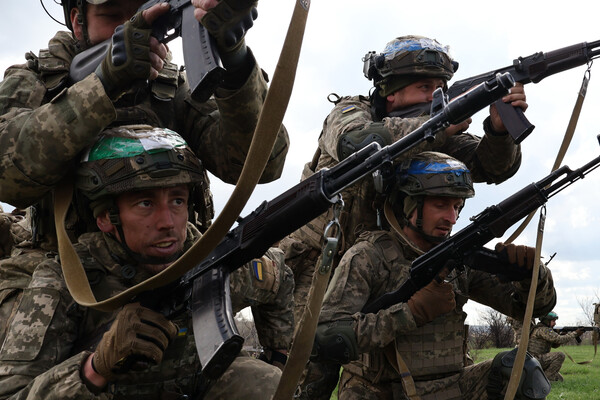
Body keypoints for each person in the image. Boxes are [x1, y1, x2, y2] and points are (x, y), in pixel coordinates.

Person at [282, 35, 527, 398]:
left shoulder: (436, 133)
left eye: (441, 88)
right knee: (307, 373)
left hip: (384, 262)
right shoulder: (352, 113)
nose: (435, 96)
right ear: (391, 92)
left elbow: (489, 166)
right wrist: (437, 124)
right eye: (424, 87)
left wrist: (498, 131)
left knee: (389, 370)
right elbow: (357, 144)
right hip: (317, 264)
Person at [0, 126, 294, 399]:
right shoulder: (67, 281)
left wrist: (277, 354)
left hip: (195, 387)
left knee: (265, 382)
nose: (167, 222)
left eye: (177, 201)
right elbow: (13, 393)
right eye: (145, 203)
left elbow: (279, 275)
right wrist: (93, 369)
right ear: (105, 218)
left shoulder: (214, 258)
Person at [0, 0, 289, 251]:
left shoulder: (174, 89)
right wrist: (105, 83)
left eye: (143, 11)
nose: (131, 27)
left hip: (173, 266)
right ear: (78, 22)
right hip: (63, 270)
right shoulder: (34, 82)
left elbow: (262, 165)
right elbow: (6, 177)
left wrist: (235, 56)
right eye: (113, 16)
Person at [309, 151, 556, 400]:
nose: (451, 218)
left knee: (521, 371)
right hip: (382, 390)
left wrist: (532, 276)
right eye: (440, 205)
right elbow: (327, 338)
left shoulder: (458, 257)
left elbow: (529, 309)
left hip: (450, 386)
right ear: (409, 203)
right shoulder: (369, 256)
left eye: (457, 207)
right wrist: (410, 313)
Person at [528, 311, 584, 382]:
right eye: (553, 321)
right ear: (546, 320)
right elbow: (559, 339)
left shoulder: (539, 329)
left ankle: (542, 377)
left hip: (535, 360)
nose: (555, 323)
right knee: (560, 355)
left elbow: (554, 345)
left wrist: (562, 335)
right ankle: (546, 380)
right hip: (535, 359)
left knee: (560, 379)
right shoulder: (543, 330)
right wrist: (575, 333)